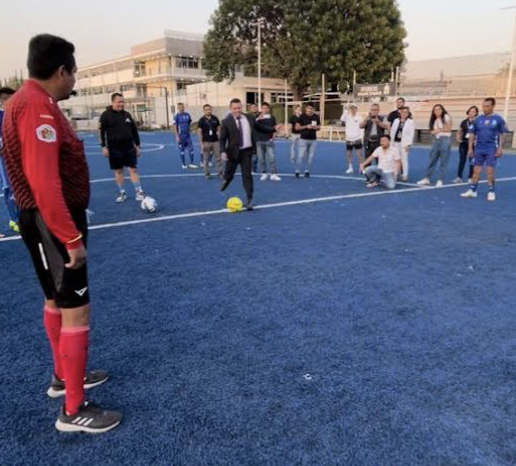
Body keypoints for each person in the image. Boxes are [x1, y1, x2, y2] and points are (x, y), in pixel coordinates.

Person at [2, 34, 121, 433]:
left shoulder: (25, 101)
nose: (75, 80)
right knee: (76, 308)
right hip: (52, 222)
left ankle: (63, 379)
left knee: (55, 300)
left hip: (41, 222)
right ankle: (74, 409)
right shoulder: (36, 106)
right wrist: (70, 239)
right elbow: (43, 182)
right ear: (60, 71)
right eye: (74, 72)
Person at [219, 98, 281, 210]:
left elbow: (260, 128)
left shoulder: (249, 118)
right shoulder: (226, 122)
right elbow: (222, 139)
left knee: (247, 175)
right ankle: (226, 180)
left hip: (246, 152)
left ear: (241, 107)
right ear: (230, 108)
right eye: (234, 108)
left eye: (239, 108)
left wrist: (273, 128)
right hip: (232, 152)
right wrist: (223, 151)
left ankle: (249, 199)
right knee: (229, 173)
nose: (237, 110)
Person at [99, 93, 146, 203]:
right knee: (119, 171)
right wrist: (103, 147)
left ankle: (139, 192)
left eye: (122, 102)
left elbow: (134, 131)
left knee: (133, 169)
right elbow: (101, 132)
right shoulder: (105, 115)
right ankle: (122, 193)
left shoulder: (127, 115)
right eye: (119, 102)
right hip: (114, 148)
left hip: (129, 147)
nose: (121, 104)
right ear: (113, 102)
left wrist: (138, 146)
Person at [461, 98, 509, 202]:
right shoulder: (478, 119)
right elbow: (472, 134)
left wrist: (500, 147)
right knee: (476, 170)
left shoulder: (499, 119)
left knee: (489, 171)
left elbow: (504, 134)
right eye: (483, 106)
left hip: (491, 148)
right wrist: (470, 148)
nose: (484, 108)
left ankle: (491, 191)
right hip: (478, 148)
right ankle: (473, 190)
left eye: (487, 106)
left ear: (493, 106)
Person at [417, 104, 453, 188]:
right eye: (435, 110)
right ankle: (427, 178)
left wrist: (438, 130)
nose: (437, 111)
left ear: (442, 109)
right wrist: (434, 132)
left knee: (443, 161)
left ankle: (440, 180)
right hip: (436, 140)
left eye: (439, 109)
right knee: (432, 160)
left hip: (445, 140)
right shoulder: (434, 119)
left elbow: (448, 128)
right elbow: (432, 131)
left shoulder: (446, 116)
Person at [0, 87, 19, 234]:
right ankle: (15, 219)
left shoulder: (16, 114)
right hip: (4, 159)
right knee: (9, 187)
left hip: (19, 157)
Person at [256, 102, 281, 181]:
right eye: (263, 108)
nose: (265, 109)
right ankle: (264, 173)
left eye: (267, 108)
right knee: (261, 159)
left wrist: (275, 135)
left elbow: (275, 127)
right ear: (261, 108)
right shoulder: (257, 116)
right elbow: (253, 125)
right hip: (259, 141)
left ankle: (274, 174)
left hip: (269, 140)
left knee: (272, 158)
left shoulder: (272, 117)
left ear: (269, 109)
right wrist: (258, 119)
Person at [295, 103, 321, 178]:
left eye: (311, 108)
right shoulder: (302, 116)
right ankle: (297, 170)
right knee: (301, 156)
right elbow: (297, 127)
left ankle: (307, 171)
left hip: (313, 139)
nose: (310, 110)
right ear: (306, 109)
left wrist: (316, 127)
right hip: (303, 139)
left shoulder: (316, 116)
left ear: (313, 109)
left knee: (310, 156)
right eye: (308, 108)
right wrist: (306, 126)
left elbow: (319, 127)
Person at [454, 106, 479, 184]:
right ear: (468, 112)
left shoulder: (477, 122)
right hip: (464, 143)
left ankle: (470, 177)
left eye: (474, 111)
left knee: (472, 161)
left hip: (473, 144)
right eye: (470, 111)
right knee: (462, 160)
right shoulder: (464, 122)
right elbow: (459, 131)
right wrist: (458, 139)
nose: (471, 113)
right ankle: (459, 177)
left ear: (476, 113)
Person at [360, 103, 389, 168]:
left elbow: (386, 126)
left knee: (379, 161)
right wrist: (365, 121)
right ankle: (368, 176)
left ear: (378, 111)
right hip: (368, 143)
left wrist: (378, 122)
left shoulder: (382, 118)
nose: (374, 111)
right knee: (367, 160)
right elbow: (360, 126)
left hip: (378, 143)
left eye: (376, 110)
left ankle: (379, 175)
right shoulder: (367, 118)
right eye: (372, 110)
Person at [197, 104, 222, 179]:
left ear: (211, 110)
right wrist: (201, 144)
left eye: (209, 109)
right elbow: (199, 132)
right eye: (206, 109)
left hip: (216, 142)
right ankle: (207, 173)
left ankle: (220, 172)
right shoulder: (201, 120)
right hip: (206, 142)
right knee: (206, 159)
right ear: (204, 111)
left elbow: (219, 127)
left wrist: (219, 135)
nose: (208, 111)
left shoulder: (215, 118)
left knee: (218, 158)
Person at [390, 106, 415, 181]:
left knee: (404, 160)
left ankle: (405, 175)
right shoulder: (396, 120)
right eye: (402, 112)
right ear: (400, 113)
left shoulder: (410, 122)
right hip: (395, 143)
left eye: (405, 112)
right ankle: (395, 174)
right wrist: (391, 143)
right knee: (395, 159)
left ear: (408, 113)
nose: (403, 113)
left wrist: (409, 144)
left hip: (404, 143)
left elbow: (411, 133)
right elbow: (392, 132)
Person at [340, 104, 364, 174]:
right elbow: (341, 118)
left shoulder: (360, 117)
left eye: (354, 108)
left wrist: (361, 136)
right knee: (349, 154)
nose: (353, 110)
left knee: (359, 154)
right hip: (348, 138)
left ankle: (362, 168)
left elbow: (362, 127)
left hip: (357, 138)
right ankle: (350, 168)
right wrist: (346, 109)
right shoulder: (347, 116)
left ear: (356, 109)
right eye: (351, 108)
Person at [174, 103, 198, 169]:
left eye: (182, 106)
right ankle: (183, 164)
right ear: (178, 108)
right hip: (181, 136)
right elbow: (175, 126)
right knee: (182, 150)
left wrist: (190, 130)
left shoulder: (187, 115)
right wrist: (177, 136)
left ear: (184, 107)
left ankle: (192, 163)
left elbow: (189, 124)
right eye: (180, 107)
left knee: (191, 149)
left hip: (188, 135)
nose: (181, 108)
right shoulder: (177, 116)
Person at [248, 103, 260, 173]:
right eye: (252, 107)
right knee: (249, 154)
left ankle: (254, 167)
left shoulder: (260, 115)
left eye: (255, 107)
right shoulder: (248, 116)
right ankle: (250, 167)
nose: (254, 108)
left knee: (257, 154)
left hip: (258, 137)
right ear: (250, 109)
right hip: (249, 138)